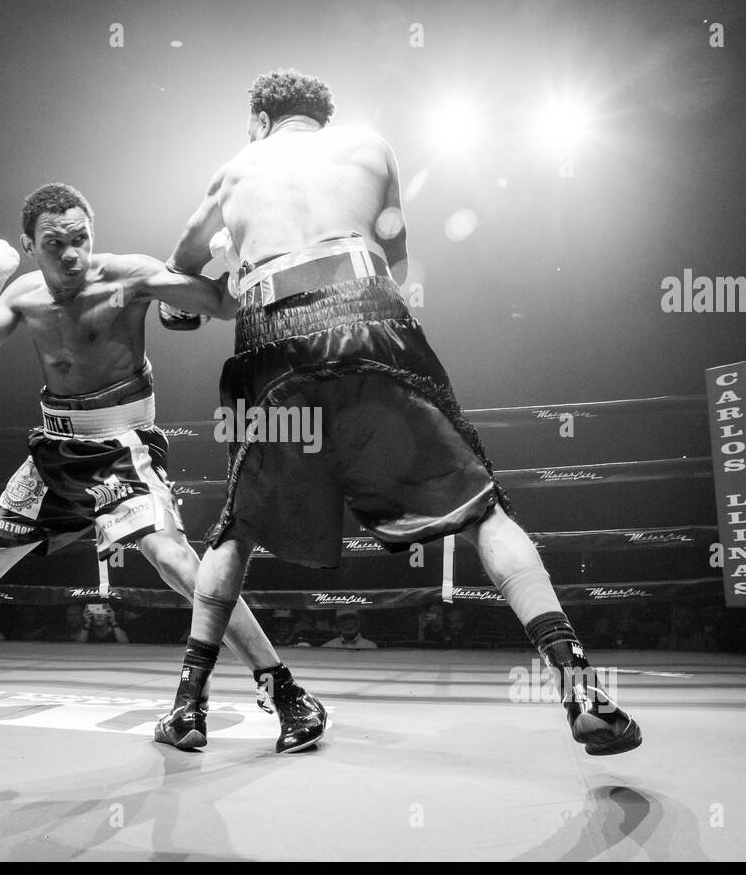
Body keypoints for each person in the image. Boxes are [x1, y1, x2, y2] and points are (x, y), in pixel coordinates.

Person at [159, 69, 640, 755]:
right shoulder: (370, 147)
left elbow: (176, 282)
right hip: (367, 315)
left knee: (235, 528)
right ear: (319, 116)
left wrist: (226, 269)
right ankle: (580, 687)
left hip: (268, 337)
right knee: (480, 509)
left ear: (262, 119)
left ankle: (187, 710)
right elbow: (398, 261)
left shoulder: (232, 173)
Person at [0, 182, 325, 754]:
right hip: (54, 451)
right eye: (56, 243)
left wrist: (231, 263)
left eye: (80, 238)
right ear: (30, 246)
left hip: (120, 448)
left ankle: (284, 690)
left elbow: (223, 306)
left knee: (177, 562)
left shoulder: (128, 276)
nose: (72, 253)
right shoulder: (25, 296)